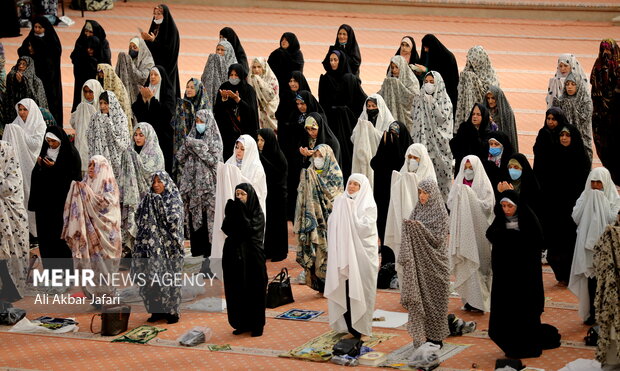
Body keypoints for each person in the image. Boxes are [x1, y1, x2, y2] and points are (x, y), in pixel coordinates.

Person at [486, 190, 561, 359]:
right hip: (506, 279)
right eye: (503, 206)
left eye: (510, 206)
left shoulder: (528, 221)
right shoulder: (499, 224)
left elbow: (535, 243)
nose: (506, 210)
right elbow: (492, 236)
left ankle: (526, 344)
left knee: (524, 312)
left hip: (524, 280)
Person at [325, 174, 379, 339]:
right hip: (344, 256)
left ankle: (362, 329)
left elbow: (366, 229)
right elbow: (332, 224)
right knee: (346, 290)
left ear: (362, 188)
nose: (352, 187)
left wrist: (351, 213)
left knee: (362, 291)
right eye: (350, 183)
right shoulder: (341, 202)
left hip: (362, 258)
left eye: (356, 184)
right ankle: (349, 327)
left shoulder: (368, 205)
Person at [62, 156, 122, 302]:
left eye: (94, 165)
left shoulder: (108, 183)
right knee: (93, 266)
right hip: (90, 232)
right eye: (89, 164)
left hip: (106, 232)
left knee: (106, 266)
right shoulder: (85, 183)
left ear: (102, 168)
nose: (90, 168)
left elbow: (107, 203)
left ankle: (108, 295)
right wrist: (83, 190)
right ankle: (96, 295)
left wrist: (88, 193)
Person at [399, 179, 450, 348]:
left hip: (436, 266)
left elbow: (437, 239)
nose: (422, 196)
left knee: (436, 306)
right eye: (420, 192)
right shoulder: (417, 210)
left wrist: (418, 227)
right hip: (419, 268)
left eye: (425, 193)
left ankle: (436, 339)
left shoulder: (441, 213)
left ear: (433, 194)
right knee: (421, 303)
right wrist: (412, 226)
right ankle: (424, 337)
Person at [537, 124, 590, 285]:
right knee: (556, 244)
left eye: (567, 136)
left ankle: (572, 274)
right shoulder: (554, 155)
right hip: (556, 208)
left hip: (574, 209)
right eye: (561, 136)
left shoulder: (581, 157)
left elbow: (584, 185)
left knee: (571, 242)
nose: (564, 138)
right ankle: (561, 275)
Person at [569, 167, 620, 325]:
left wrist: (601, 203)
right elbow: (575, 216)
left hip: (606, 247)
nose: (596, 186)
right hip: (586, 248)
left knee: (605, 280)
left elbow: (612, 218)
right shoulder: (585, 196)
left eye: (599, 183)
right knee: (590, 280)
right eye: (593, 183)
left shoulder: (613, 198)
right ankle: (591, 312)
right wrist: (590, 202)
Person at [132, 171, 184, 324]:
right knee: (151, 278)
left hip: (169, 250)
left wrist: (158, 205)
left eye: (159, 181)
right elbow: (138, 217)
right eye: (153, 182)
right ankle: (156, 310)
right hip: (150, 249)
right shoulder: (148, 199)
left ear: (166, 183)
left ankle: (171, 312)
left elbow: (174, 221)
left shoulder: (174, 199)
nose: (155, 185)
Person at [29, 126, 81, 272]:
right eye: (48, 141)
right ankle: (51, 271)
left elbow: (74, 179)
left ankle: (66, 271)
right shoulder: (44, 153)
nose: (51, 144)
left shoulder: (70, 154)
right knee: (46, 239)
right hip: (44, 205)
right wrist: (40, 166)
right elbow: (36, 176)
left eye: (54, 141)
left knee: (61, 238)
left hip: (61, 205)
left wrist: (54, 168)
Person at [384, 143, 437, 285]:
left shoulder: (429, 179)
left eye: (416, 158)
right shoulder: (401, 176)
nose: (412, 161)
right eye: (410, 157)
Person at [447, 155, 494, 313]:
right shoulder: (459, 183)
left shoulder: (483, 184)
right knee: (465, 263)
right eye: (465, 168)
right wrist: (463, 196)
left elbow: (488, 206)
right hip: (463, 232)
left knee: (480, 265)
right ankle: (469, 299)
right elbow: (451, 202)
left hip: (479, 233)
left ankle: (481, 299)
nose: (468, 171)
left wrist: (470, 197)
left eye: (470, 168)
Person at [294, 144, 343, 292]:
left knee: (329, 253)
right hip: (314, 222)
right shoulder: (310, 174)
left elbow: (336, 197)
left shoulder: (335, 175)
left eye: (320, 156)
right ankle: (319, 284)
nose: (317, 159)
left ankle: (332, 284)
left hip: (331, 223)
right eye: (314, 156)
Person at [221, 183, 267, 337]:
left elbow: (250, 232)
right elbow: (227, 229)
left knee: (255, 290)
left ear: (250, 196)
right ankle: (241, 323)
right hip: (236, 258)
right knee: (237, 290)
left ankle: (256, 325)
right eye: (237, 194)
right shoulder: (234, 211)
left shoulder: (257, 213)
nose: (239, 197)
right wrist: (232, 212)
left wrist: (239, 213)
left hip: (253, 259)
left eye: (242, 194)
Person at [176, 109, 223, 258]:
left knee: (207, 217)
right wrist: (193, 144)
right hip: (192, 186)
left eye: (202, 121)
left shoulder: (215, 139)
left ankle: (209, 251)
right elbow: (180, 156)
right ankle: (197, 250)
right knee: (194, 216)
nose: (199, 124)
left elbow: (213, 160)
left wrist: (196, 146)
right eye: (197, 121)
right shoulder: (191, 137)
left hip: (208, 188)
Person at [318, 49, 366, 180]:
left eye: (335, 60)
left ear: (341, 61)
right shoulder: (325, 79)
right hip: (332, 123)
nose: (333, 63)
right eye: (331, 60)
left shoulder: (350, 79)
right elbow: (323, 103)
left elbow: (361, 100)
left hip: (347, 123)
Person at [2, 99, 47, 236]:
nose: (21, 113)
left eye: (24, 109)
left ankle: (34, 230)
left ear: (31, 110)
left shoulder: (39, 125)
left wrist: (19, 133)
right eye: (20, 109)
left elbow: (35, 145)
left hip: (33, 166)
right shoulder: (16, 123)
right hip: (18, 166)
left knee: (31, 195)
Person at [118, 122, 165, 253]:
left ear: (148, 136)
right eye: (135, 135)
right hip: (134, 197)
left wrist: (135, 159)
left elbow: (152, 174)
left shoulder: (155, 153)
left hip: (150, 199)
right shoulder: (131, 151)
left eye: (141, 135)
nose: (137, 138)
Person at [371, 122, 412, 267]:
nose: (392, 139)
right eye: (390, 134)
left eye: (395, 135)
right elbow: (375, 163)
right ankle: (388, 263)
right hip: (383, 201)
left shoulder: (409, 157)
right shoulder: (383, 151)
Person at [412, 71, 454, 201]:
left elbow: (443, 121)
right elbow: (413, 117)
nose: (428, 85)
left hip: (440, 148)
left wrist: (433, 105)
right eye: (426, 82)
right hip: (424, 144)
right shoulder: (418, 98)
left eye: (432, 82)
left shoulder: (445, 102)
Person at [17, 16, 63, 125]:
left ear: (45, 28)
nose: (37, 29)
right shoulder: (30, 38)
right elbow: (22, 53)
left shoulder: (52, 40)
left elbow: (52, 58)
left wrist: (37, 52)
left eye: (40, 27)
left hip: (48, 80)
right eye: (35, 27)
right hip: (33, 79)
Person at [132, 66, 176, 173]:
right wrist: (143, 100)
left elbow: (167, 114)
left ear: (161, 77)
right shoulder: (146, 90)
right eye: (151, 74)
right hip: (145, 137)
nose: (152, 77)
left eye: (155, 75)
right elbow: (136, 110)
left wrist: (152, 99)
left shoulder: (167, 93)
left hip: (163, 136)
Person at [0, 141, 29, 301]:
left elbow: (10, 188)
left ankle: (13, 290)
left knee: (14, 251)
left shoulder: (10, 157)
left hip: (13, 214)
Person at [214, 64, 259, 160]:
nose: (233, 78)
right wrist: (224, 100)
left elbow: (251, 113)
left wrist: (238, 100)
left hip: (244, 133)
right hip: (227, 135)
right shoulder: (224, 87)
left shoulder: (248, 90)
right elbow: (218, 112)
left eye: (236, 75)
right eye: (231, 75)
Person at [591, 39, 620, 184]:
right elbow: (594, 91)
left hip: (616, 118)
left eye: (609, 50)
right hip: (601, 119)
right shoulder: (597, 67)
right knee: (604, 148)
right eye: (603, 50)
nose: (606, 53)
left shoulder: (619, 68)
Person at [257, 128, 288, 262]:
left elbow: (279, 176)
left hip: (278, 196)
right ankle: (268, 250)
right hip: (267, 195)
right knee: (267, 223)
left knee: (278, 224)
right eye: (258, 140)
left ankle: (280, 252)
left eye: (262, 140)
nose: (259, 143)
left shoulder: (278, 157)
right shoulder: (260, 156)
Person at [592, 216, 620, 366]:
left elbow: (596, 259)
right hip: (612, 290)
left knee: (612, 328)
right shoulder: (609, 235)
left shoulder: (608, 235)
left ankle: (612, 362)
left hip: (611, 291)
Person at [351, 94, 395, 186]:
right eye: (369, 106)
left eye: (374, 106)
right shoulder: (362, 119)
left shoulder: (388, 120)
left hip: (381, 158)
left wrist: (372, 131)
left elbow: (389, 139)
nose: (371, 108)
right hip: (365, 157)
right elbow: (353, 137)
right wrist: (363, 130)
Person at [170, 78, 210, 177]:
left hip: (199, 150)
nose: (188, 89)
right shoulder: (182, 106)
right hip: (183, 148)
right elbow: (174, 124)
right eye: (187, 87)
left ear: (198, 89)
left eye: (192, 87)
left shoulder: (205, 107)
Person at [88, 91, 131, 179]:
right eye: (101, 103)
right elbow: (90, 136)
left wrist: (109, 124)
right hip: (100, 157)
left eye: (106, 103)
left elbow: (123, 141)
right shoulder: (95, 118)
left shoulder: (120, 118)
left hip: (118, 160)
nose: (102, 106)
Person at [455, 46, 500, 128]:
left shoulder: (491, 76)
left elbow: (493, 96)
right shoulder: (467, 75)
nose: (471, 63)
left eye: (474, 61)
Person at [71, 20, 111, 111]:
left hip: (97, 79)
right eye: (86, 31)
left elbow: (106, 62)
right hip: (82, 77)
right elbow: (75, 58)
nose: (87, 34)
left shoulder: (103, 43)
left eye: (90, 32)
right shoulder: (81, 41)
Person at [552, 73, 594, 160]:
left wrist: (571, 107)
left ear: (578, 84)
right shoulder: (561, 100)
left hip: (582, 140)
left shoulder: (585, 101)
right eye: (567, 84)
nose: (569, 87)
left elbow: (584, 119)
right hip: (563, 140)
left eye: (573, 84)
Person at [142, 4, 181, 98]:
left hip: (167, 67)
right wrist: (147, 40)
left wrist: (154, 41)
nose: (156, 16)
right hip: (155, 65)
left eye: (159, 14)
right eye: (154, 14)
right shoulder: (155, 27)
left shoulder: (172, 30)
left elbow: (168, 50)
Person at [224, 135, 267, 214]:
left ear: (249, 150)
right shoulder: (229, 163)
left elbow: (258, 194)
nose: (238, 151)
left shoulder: (256, 169)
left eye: (242, 149)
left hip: (249, 211)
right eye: (237, 147)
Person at [418, 34, 459, 117]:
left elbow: (442, 76)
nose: (425, 50)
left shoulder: (447, 58)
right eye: (424, 47)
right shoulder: (428, 56)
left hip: (446, 95)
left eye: (427, 47)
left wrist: (426, 70)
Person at [450, 103, 493, 177]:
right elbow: (454, 144)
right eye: (473, 114)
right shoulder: (464, 127)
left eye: (478, 114)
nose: (475, 117)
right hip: (463, 167)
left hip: (479, 169)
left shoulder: (488, 132)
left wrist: (475, 134)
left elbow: (484, 150)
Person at [70, 79, 104, 173]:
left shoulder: (103, 108)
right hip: (81, 145)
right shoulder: (81, 107)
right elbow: (73, 122)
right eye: (85, 92)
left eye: (90, 92)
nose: (87, 95)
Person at [379, 55, 419, 133]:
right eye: (392, 67)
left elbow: (414, 96)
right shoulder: (389, 81)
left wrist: (398, 85)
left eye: (397, 67)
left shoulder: (412, 81)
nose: (394, 70)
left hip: (407, 118)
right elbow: (382, 94)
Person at [3, 57, 48, 124]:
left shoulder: (36, 81)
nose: (21, 66)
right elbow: (9, 96)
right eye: (19, 64)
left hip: (30, 116)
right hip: (14, 114)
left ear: (29, 67)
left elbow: (37, 100)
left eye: (24, 64)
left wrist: (23, 82)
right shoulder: (12, 77)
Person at [116, 37, 155, 105]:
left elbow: (143, 77)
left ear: (141, 48)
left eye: (135, 47)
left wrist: (130, 64)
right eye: (130, 47)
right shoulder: (129, 59)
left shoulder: (148, 61)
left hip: (141, 95)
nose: (132, 49)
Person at [268, 32, 304, 102]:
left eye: (286, 40)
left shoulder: (297, 54)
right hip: (277, 86)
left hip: (292, 87)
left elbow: (298, 71)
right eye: (282, 39)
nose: (283, 42)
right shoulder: (276, 53)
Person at [201, 40, 237, 108]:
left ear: (228, 51)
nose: (219, 52)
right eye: (218, 49)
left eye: (222, 50)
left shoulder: (234, 67)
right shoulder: (213, 62)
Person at [248, 57, 279, 131]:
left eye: (259, 67)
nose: (256, 70)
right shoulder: (250, 79)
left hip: (269, 111)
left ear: (264, 67)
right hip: (255, 113)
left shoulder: (271, 79)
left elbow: (272, 97)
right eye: (254, 67)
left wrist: (258, 81)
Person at [97, 63, 133, 127]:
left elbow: (114, 102)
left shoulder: (116, 84)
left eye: (101, 72)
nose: (100, 74)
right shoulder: (102, 82)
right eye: (99, 72)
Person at [484, 85, 518, 152]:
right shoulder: (485, 112)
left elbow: (509, 135)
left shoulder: (507, 113)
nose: (490, 101)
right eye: (488, 98)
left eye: (493, 98)